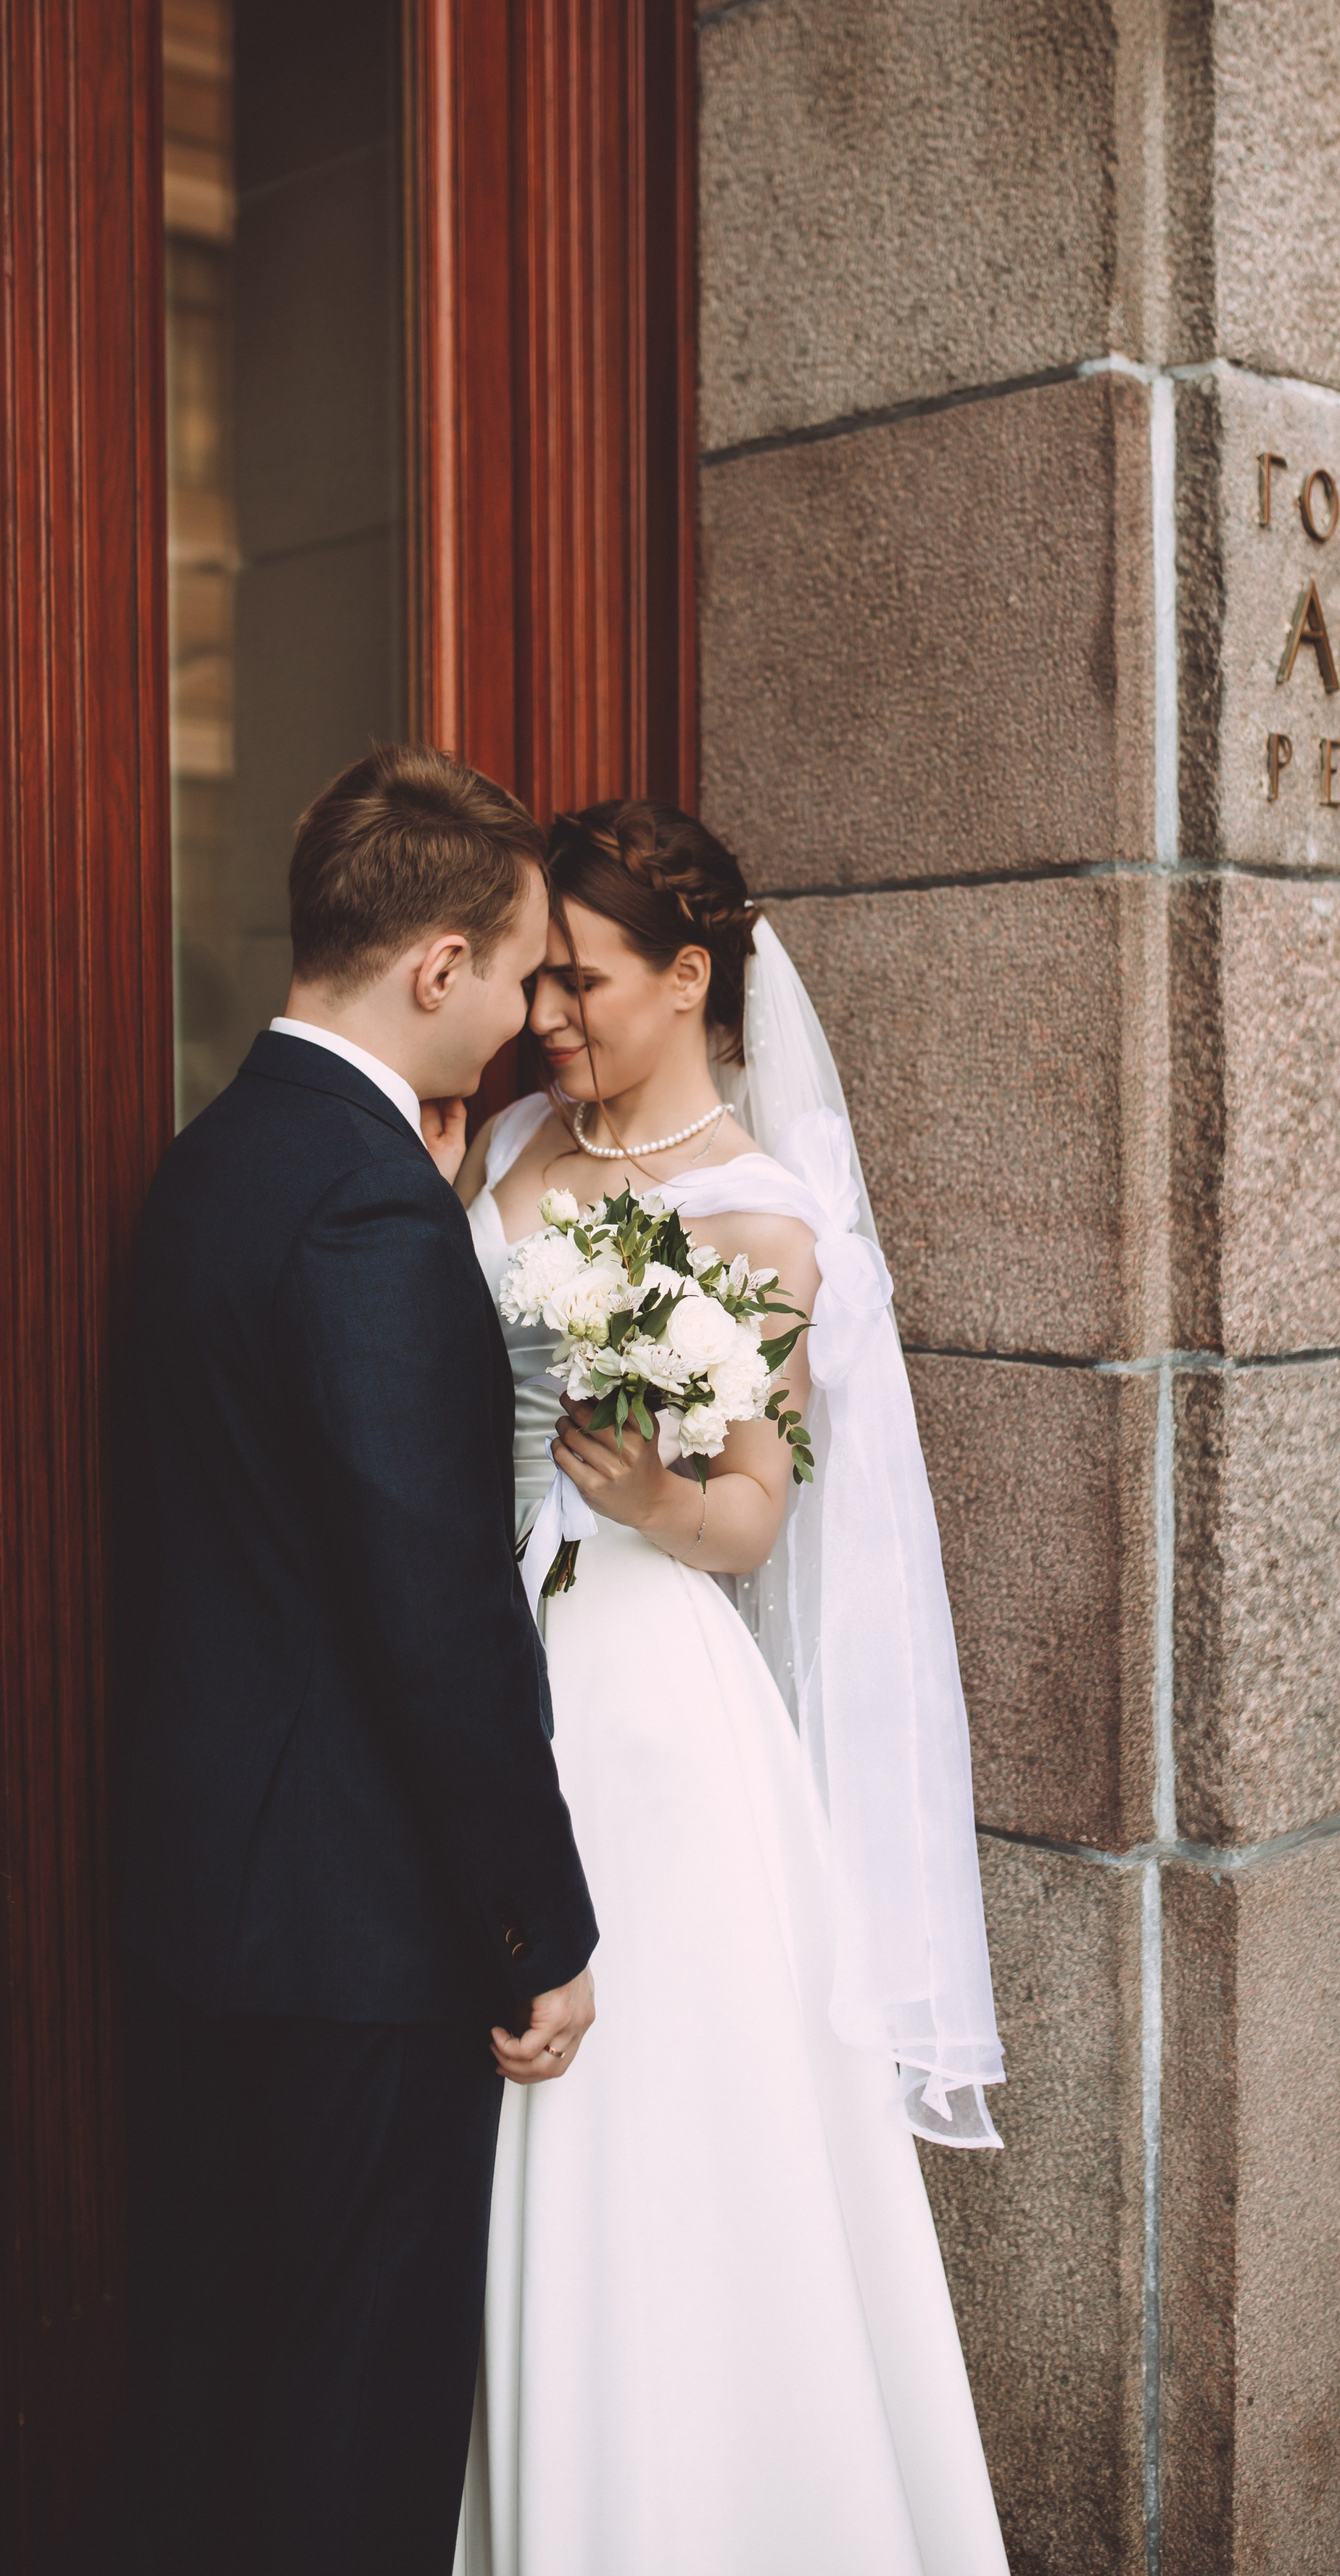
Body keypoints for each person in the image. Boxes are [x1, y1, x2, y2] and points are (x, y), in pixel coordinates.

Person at [452, 798, 1010, 2576]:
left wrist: (655, 1497)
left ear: (688, 976)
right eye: (534, 974)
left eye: (581, 977)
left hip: (646, 1705)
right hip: (479, 1659)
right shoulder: (512, 1142)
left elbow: (757, 1520)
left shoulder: (761, 1221)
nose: (548, 1009)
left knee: (659, 2119)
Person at [112, 746, 598, 2576]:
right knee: (356, 2417)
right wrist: (536, 1930)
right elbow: (431, 1607)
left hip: (209, 1900)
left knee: (220, 2381)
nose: (526, 1015)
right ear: (434, 971)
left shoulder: (220, 1155)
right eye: (518, 972)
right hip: (351, 1935)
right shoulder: (370, 1210)